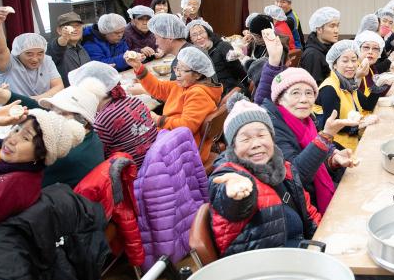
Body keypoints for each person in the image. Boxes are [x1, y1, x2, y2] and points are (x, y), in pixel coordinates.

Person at [0, 102, 84, 258]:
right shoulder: (15, 161)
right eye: (16, 129)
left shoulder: (15, 184)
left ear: (41, 153)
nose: (12, 139)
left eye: (26, 137)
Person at [207, 95, 319, 257]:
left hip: (300, 250)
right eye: (245, 139)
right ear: (233, 147)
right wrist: (235, 193)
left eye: (261, 135)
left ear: (272, 138)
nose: (256, 144)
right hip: (264, 267)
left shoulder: (282, 167)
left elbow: (309, 212)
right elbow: (231, 203)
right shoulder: (230, 175)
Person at [261, 67, 357, 213]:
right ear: (279, 98)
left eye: (309, 93)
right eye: (295, 93)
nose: (304, 99)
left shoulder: (307, 120)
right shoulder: (272, 129)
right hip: (299, 207)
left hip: (313, 194)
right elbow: (296, 176)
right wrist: (326, 137)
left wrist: (333, 160)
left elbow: (314, 154)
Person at [124, 47, 223, 165]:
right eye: (177, 68)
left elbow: (186, 127)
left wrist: (157, 119)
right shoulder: (183, 85)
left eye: (182, 70)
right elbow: (158, 88)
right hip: (176, 139)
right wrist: (138, 67)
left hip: (186, 150)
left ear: (197, 75)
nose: (177, 73)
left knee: (130, 144)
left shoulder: (198, 94)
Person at [68, 62, 159, 168]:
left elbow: (96, 154)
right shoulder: (134, 101)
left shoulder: (103, 119)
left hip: (133, 172)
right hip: (154, 161)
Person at [315, 40, 380, 150]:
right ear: (334, 65)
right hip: (336, 147)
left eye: (354, 60)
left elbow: (367, 105)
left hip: (352, 139)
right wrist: (359, 125)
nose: (351, 65)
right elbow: (332, 124)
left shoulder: (349, 84)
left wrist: (379, 86)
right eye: (345, 61)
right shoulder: (330, 88)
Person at [0, 7, 62, 99]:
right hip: (13, 110)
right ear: (18, 53)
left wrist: (36, 100)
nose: (35, 59)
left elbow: (58, 86)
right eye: (29, 54)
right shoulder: (9, 63)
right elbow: (0, 50)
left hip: (42, 106)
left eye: (40, 53)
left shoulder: (47, 61)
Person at [187, 19, 247, 95]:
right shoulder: (194, 54)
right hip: (206, 91)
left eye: (201, 32)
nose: (199, 37)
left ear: (208, 33)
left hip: (227, 90)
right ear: (191, 39)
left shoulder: (222, 46)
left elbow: (239, 71)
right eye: (194, 35)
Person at [354, 30, 394, 105]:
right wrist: (357, 78)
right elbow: (361, 103)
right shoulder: (354, 69)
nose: (370, 52)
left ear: (379, 53)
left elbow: (377, 95)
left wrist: (387, 82)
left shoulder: (372, 68)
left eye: (375, 49)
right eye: (366, 47)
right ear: (358, 49)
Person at [47, 12, 90, 86]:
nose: (75, 29)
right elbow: (58, 46)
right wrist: (64, 38)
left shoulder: (82, 49)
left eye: (78, 26)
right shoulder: (53, 47)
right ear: (59, 30)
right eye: (69, 27)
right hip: (66, 94)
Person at [301, 6, 341, 84]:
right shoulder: (312, 55)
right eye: (332, 26)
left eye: (337, 25)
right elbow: (314, 88)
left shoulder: (329, 48)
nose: (336, 30)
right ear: (319, 29)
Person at [148, 13, 193, 80]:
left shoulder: (182, 62)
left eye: (157, 38)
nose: (156, 43)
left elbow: (177, 90)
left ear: (170, 37)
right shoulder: (189, 51)